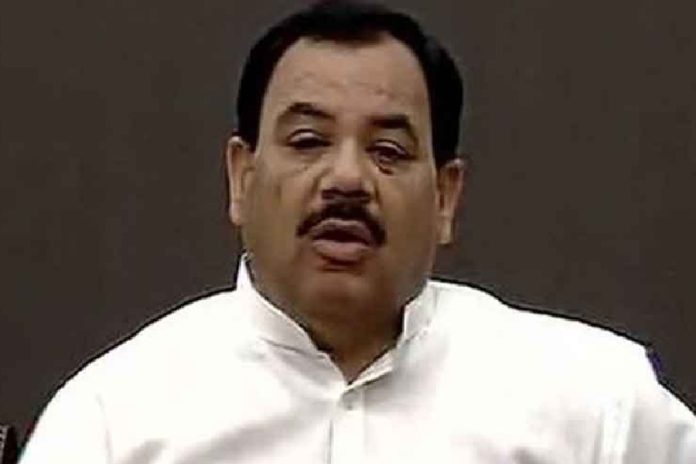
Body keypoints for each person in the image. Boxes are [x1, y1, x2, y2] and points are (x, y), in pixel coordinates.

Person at [19, 1, 696, 462]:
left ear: (445, 198)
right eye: (308, 141)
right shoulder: (113, 422)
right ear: (241, 178)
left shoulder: (596, 406)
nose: (346, 178)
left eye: (388, 151)